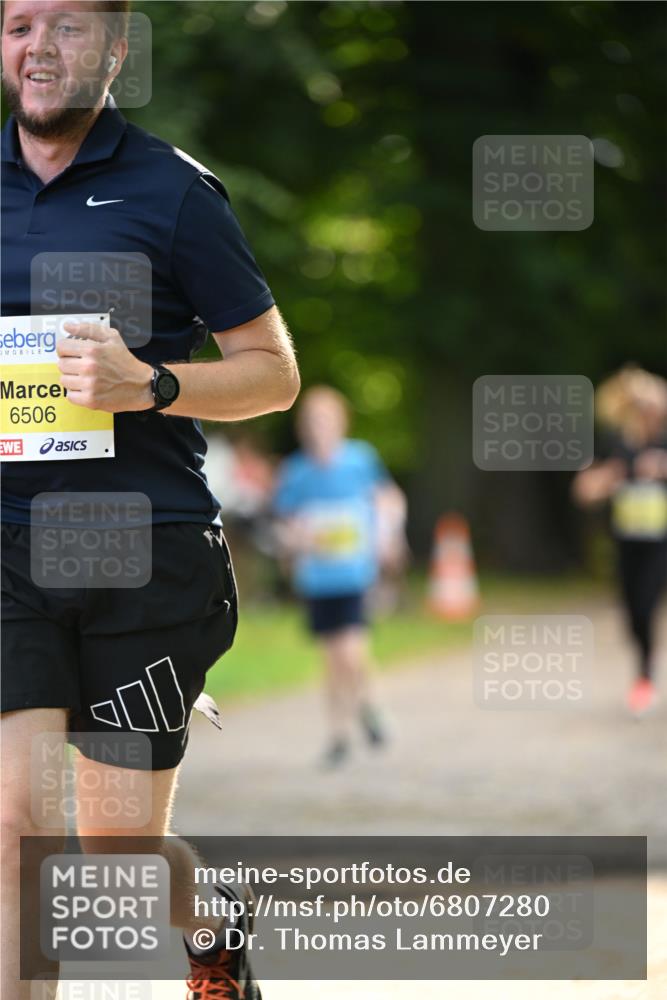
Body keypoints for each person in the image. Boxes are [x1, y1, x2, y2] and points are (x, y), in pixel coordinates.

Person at [0, 2, 300, 998]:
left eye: (68, 27)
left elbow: (273, 373)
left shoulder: (173, 191)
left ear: (119, 49)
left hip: (147, 546)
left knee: (119, 852)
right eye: (16, 25)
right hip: (8, 548)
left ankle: (212, 923)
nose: (39, 48)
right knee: (20, 835)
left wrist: (152, 382)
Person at [273, 385, 405, 767]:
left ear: (341, 422)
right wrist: (294, 537)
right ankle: (342, 732)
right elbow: (282, 522)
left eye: (326, 419)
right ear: (303, 428)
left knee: (351, 648)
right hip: (317, 577)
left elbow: (389, 498)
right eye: (313, 421)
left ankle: (368, 710)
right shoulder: (296, 472)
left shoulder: (361, 460)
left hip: (355, 572)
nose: (320, 427)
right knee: (333, 657)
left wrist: (389, 534)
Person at [572, 366, 667, 716]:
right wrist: (612, 476)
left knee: (646, 603)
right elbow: (583, 490)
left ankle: (645, 676)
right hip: (626, 541)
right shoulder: (613, 444)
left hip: (661, 541)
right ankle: (645, 661)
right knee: (632, 613)